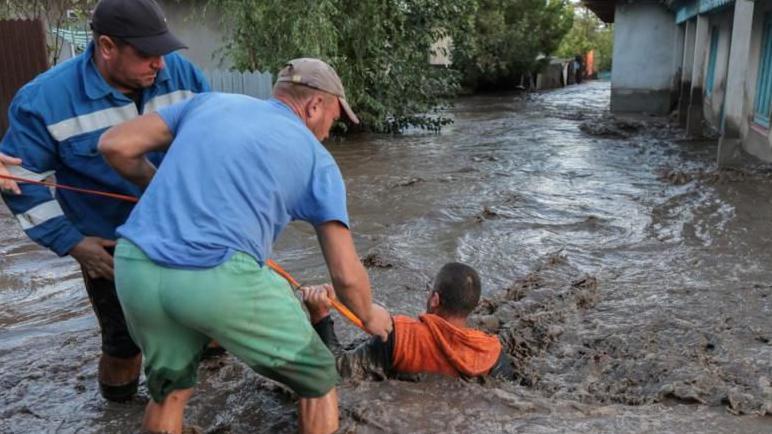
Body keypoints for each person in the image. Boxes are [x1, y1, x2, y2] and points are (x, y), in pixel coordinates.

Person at [98, 58, 391, 434]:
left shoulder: (209, 102)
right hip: (214, 276)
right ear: (314, 106)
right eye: (333, 119)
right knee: (319, 377)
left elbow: (115, 145)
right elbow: (346, 276)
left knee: (169, 391)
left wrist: (161, 189)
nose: (329, 133)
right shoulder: (318, 160)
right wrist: (369, 316)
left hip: (135, 265)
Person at [0, 0, 209, 402]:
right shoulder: (43, 100)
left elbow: (215, 143)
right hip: (110, 249)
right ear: (107, 46)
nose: (161, 66)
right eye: (147, 55)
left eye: (163, 53)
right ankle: (116, 411)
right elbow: (20, 182)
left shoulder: (183, 76)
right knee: (123, 346)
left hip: (187, 233)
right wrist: (74, 244)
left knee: (205, 321)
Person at [302, 262, 512, 380]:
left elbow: (339, 371)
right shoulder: (492, 353)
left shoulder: (400, 336)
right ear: (472, 306)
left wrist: (320, 315)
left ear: (435, 299)